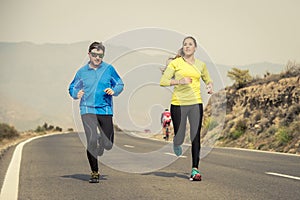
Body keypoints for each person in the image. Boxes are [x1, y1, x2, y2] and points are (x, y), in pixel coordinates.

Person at [69, 41, 124, 183]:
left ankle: (102, 141)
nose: (97, 58)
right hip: (87, 110)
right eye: (94, 55)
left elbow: (119, 83)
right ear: (89, 55)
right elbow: (72, 87)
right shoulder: (82, 72)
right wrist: (76, 93)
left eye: (100, 55)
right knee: (91, 139)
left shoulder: (109, 69)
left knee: (109, 144)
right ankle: (94, 172)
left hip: (105, 109)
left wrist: (114, 90)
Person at [160, 36, 213, 181]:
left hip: (196, 103)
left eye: (190, 44)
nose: (187, 46)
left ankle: (195, 169)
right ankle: (177, 142)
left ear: (195, 48)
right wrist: (179, 81)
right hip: (178, 104)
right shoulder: (176, 63)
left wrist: (209, 85)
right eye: (185, 45)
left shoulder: (201, 65)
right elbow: (163, 81)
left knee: (196, 136)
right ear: (183, 48)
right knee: (180, 135)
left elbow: (207, 78)